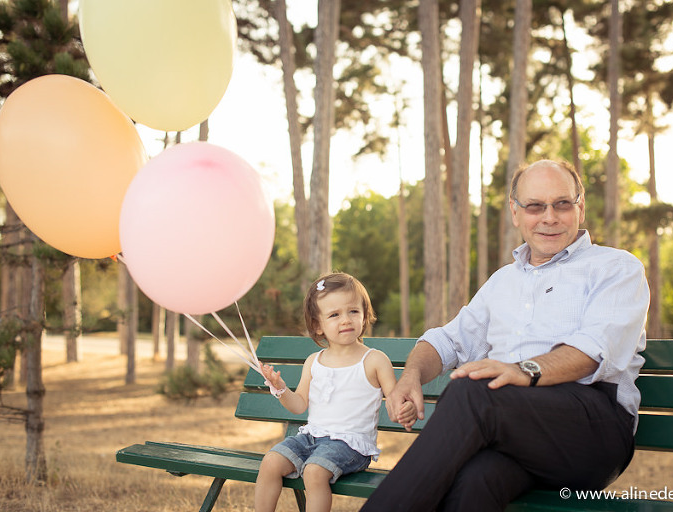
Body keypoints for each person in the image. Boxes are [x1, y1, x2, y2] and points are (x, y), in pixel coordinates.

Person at [361, 159, 650, 511]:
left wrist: (523, 370)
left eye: (562, 203)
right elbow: (448, 340)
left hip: (591, 430)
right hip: (516, 431)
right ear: (515, 212)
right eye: (534, 206)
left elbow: (593, 350)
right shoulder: (503, 281)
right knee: (474, 482)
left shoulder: (616, 268)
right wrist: (411, 375)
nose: (549, 217)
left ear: (581, 207)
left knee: (473, 392)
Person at [255, 272, 417, 512]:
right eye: (334, 314)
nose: (346, 320)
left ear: (364, 315)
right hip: (312, 438)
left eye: (353, 311)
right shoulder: (314, 361)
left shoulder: (374, 360)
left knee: (314, 471)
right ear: (317, 326)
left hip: (352, 445)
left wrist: (405, 409)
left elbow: (394, 400)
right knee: (270, 462)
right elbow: (299, 405)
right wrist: (280, 389)